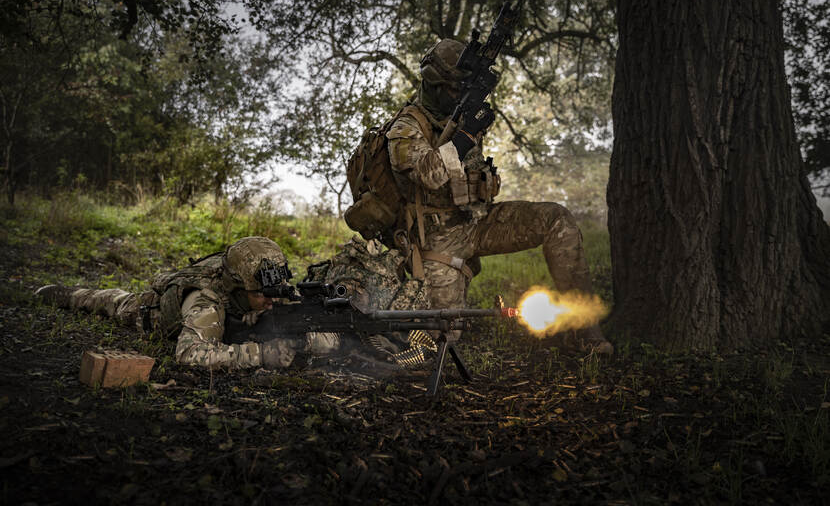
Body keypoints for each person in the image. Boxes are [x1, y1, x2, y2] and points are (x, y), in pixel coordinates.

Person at [384, 38, 613, 354]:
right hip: (438, 239)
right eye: (453, 89)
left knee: (556, 219)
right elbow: (429, 174)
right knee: (440, 342)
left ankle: (585, 331)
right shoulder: (406, 126)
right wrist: (465, 137)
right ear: (433, 84)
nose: (458, 96)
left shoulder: (460, 116)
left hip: (478, 222)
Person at [35, 237, 332, 370]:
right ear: (238, 289)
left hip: (228, 316)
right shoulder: (207, 301)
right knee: (109, 301)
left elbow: (317, 332)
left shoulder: (267, 289)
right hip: (149, 312)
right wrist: (261, 355)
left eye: (276, 290)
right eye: (262, 295)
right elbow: (189, 354)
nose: (273, 299)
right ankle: (62, 293)